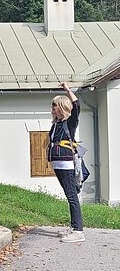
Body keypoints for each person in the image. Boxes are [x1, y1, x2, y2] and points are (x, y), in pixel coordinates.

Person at [47, 82, 85, 243]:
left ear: (61, 106)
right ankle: (74, 227)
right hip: (57, 163)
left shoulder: (70, 122)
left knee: (71, 196)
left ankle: (78, 231)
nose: (52, 107)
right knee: (69, 194)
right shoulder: (56, 124)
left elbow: (77, 106)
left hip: (66, 163)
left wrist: (68, 90)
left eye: (55, 105)